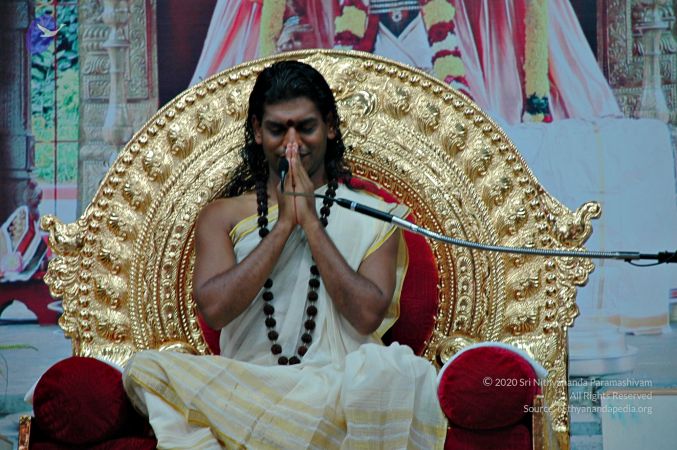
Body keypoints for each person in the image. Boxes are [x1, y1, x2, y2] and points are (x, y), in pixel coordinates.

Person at [123, 60, 446, 449]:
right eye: (278, 129)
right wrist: (283, 226)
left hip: (337, 391)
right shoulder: (223, 216)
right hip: (249, 390)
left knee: (394, 373)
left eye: (306, 127)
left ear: (329, 126)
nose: (293, 143)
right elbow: (215, 310)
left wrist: (311, 222)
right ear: (258, 131)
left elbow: (366, 316)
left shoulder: (373, 217)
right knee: (145, 369)